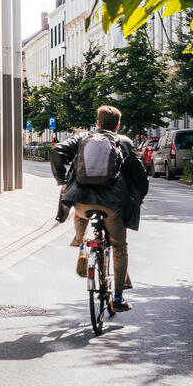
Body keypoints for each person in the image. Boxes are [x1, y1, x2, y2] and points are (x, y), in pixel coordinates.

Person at [50, 104, 148, 313]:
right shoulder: (123, 143)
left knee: (80, 217)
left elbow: (56, 151)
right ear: (118, 125)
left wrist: (62, 181)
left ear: (98, 123)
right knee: (119, 247)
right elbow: (140, 176)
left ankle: (84, 247)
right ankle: (119, 299)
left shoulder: (81, 139)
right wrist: (139, 196)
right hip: (112, 205)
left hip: (81, 203)